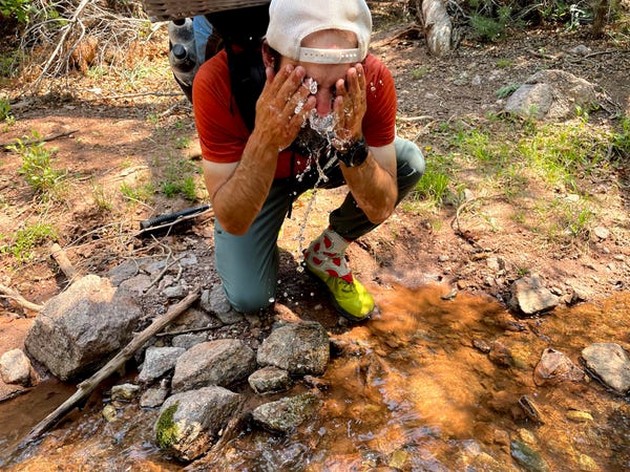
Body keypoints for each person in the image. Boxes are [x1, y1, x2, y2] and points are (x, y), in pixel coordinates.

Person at [192, 0, 425, 322]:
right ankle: (261, 247)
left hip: (330, 161)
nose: (325, 109)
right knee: (250, 297)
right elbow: (233, 219)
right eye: (309, 86)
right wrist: (265, 138)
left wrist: (351, 142)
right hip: (262, 175)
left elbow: (379, 207)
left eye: (339, 87)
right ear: (268, 57)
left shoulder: (372, 79)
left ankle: (327, 253)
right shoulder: (218, 81)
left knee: (407, 161)